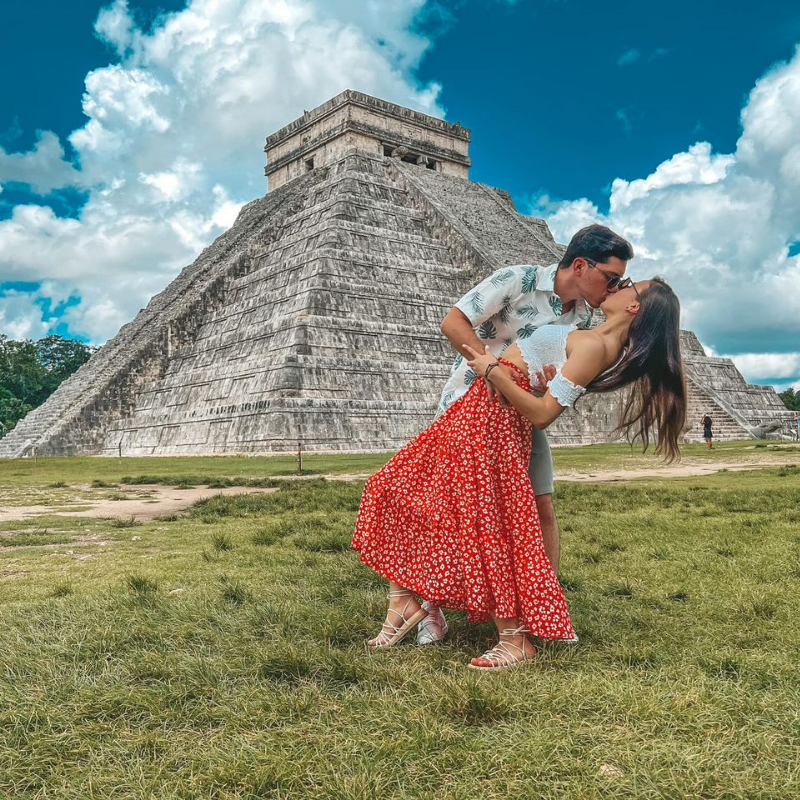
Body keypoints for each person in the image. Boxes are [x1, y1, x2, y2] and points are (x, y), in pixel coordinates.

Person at [351, 278, 686, 670]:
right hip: (477, 413)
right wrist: (526, 375)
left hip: (492, 423)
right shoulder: (592, 338)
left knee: (483, 526)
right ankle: (404, 601)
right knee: (392, 488)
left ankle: (514, 639)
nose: (618, 285)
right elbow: (544, 388)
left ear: (635, 307)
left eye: (629, 285)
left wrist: (493, 371)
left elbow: (542, 415)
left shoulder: (595, 345)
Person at [417, 224, 634, 645]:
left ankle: (543, 607)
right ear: (580, 265)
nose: (615, 288)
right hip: (471, 401)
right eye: (611, 277)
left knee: (542, 503)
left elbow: (559, 384)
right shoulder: (519, 280)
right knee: (450, 511)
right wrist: (493, 371)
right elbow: (453, 321)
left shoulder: (587, 318)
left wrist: (544, 382)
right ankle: (431, 610)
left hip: (520, 412)